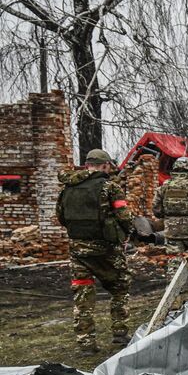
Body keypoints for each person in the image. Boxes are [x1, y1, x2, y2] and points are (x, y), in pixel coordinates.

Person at [56, 149, 133, 350]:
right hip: (106, 250)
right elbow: (124, 216)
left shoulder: (68, 187)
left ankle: (86, 342)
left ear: (87, 164)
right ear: (105, 165)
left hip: (78, 249)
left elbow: (61, 217)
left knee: (83, 294)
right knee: (120, 287)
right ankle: (120, 333)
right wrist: (127, 233)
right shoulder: (110, 187)